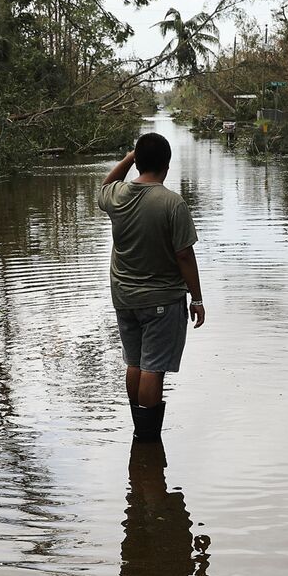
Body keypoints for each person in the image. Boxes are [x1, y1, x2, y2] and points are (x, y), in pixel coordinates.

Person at [98, 132, 205, 440]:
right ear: (167, 166)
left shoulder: (117, 197)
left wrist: (130, 157)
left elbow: (104, 185)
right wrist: (196, 299)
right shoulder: (172, 203)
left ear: (138, 162)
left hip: (125, 298)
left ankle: (139, 433)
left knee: (135, 362)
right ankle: (148, 439)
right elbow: (184, 254)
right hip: (161, 300)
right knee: (153, 368)